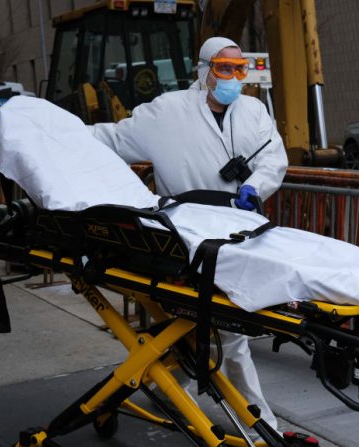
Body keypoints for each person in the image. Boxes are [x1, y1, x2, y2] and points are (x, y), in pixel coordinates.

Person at [92, 36, 288, 433]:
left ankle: (159, 393)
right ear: (203, 70)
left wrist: (258, 185)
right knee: (229, 336)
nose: (234, 77)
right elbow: (110, 139)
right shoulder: (167, 113)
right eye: (224, 68)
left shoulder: (252, 111)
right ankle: (261, 427)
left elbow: (274, 156)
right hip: (186, 240)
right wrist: (51, 133)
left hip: (239, 234)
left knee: (200, 338)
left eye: (239, 69)